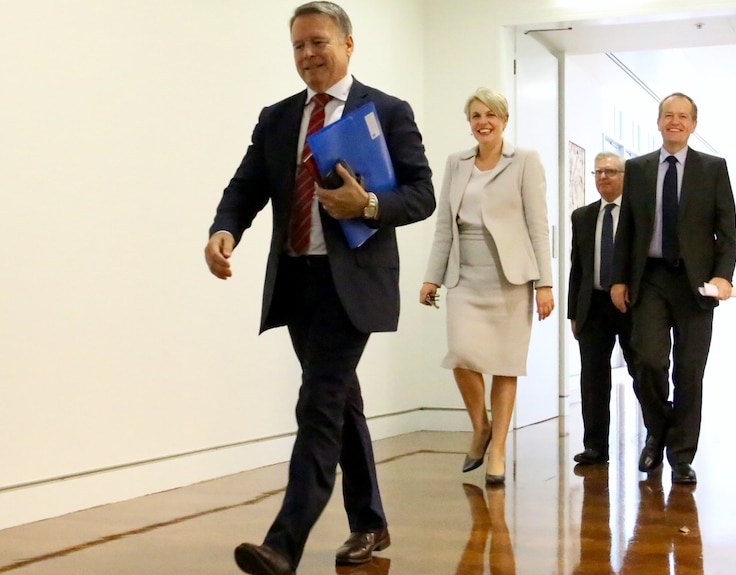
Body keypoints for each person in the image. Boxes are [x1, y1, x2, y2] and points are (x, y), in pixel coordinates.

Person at [203, 2, 435, 574]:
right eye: (299, 46)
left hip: (352, 282)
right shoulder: (278, 117)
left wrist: (371, 204)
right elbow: (247, 184)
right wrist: (224, 229)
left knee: (318, 402)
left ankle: (284, 543)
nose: (309, 55)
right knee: (339, 399)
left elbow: (423, 193)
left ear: (348, 45)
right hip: (296, 280)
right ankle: (370, 523)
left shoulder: (387, 110)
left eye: (319, 42)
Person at [419, 87, 554, 486]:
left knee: (505, 366)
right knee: (462, 355)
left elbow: (537, 226)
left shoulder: (525, 161)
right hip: (465, 274)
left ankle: (497, 449)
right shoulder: (456, 163)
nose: (483, 122)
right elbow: (445, 225)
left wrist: (544, 283)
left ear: (504, 120)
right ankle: (480, 428)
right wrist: (431, 276)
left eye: (491, 115)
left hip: (510, 277)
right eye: (476, 115)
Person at [610, 92, 736, 484]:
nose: (675, 122)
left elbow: (727, 231)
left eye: (683, 116)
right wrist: (618, 278)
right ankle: (657, 429)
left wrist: (723, 276)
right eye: (669, 115)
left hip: (696, 283)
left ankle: (681, 455)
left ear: (694, 124)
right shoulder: (639, 168)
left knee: (689, 370)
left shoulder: (713, 168)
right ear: (659, 121)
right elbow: (626, 229)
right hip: (649, 278)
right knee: (647, 361)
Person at [568, 152, 637, 465]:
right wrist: (574, 313)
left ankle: (655, 440)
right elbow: (577, 268)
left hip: (631, 305)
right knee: (593, 379)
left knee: (644, 372)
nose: (603, 177)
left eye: (610, 171)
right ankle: (595, 446)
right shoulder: (582, 216)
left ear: (624, 176)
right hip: (593, 306)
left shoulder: (638, 213)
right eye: (598, 172)